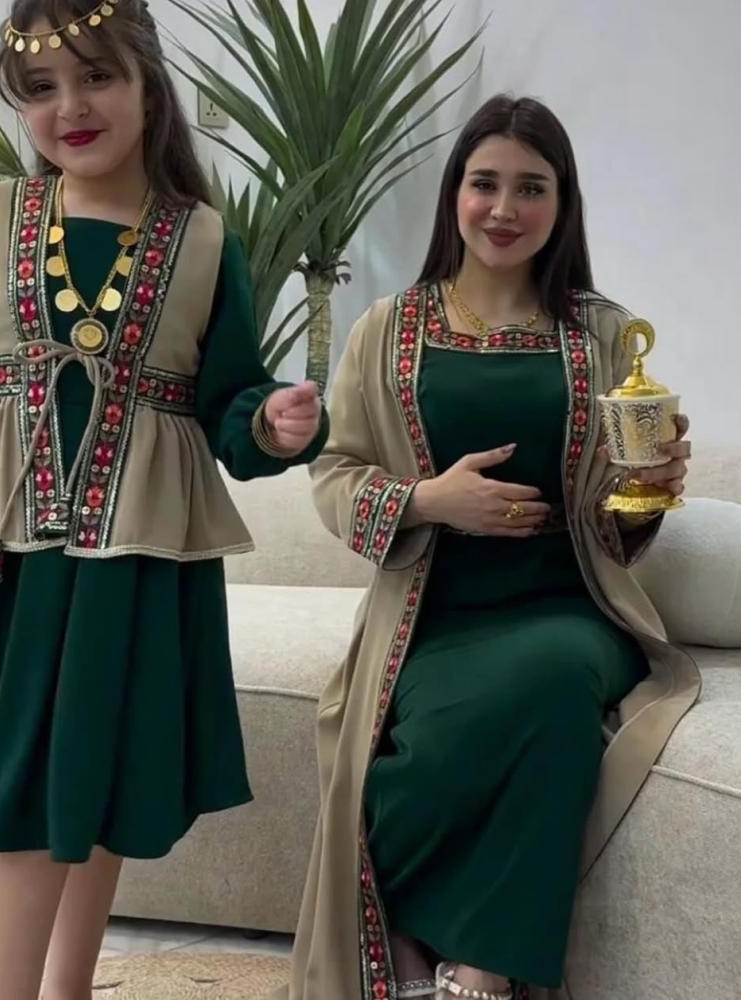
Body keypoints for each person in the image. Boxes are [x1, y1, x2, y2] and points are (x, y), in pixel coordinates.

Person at [275, 95, 698, 1000]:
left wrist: (651, 488)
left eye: (530, 187)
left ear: (562, 203)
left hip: (567, 608)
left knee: (551, 687)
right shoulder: (387, 328)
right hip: (428, 617)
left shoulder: (603, 334)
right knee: (419, 762)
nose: (504, 208)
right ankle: (410, 939)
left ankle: (480, 969)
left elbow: (617, 525)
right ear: (454, 195)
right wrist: (428, 499)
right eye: (484, 184)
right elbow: (334, 474)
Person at [0, 1, 326, 997]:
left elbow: (229, 400)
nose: (70, 107)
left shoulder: (203, 241)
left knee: (99, 774)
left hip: (138, 555)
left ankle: (69, 986)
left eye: (97, 77)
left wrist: (272, 422)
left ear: (147, 85)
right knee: (22, 798)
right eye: (41, 89)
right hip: (7, 560)